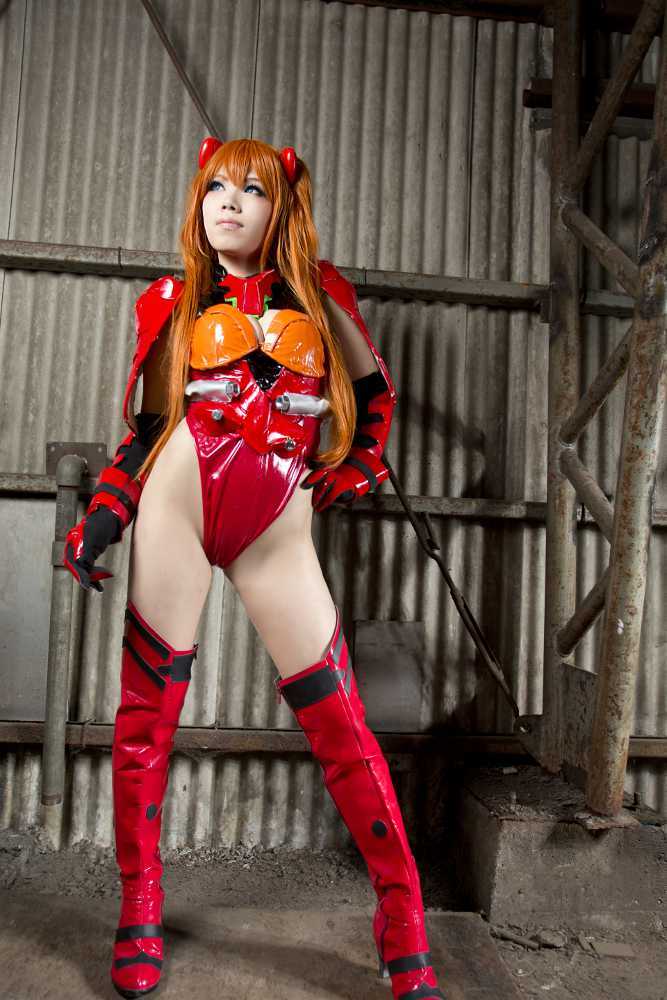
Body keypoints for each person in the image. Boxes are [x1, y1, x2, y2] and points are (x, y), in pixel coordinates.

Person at [63, 138, 445, 1000]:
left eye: (251, 188)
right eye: (215, 187)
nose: (228, 202)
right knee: (144, 719)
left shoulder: (322, 293)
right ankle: (139, 905)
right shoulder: (170, 300)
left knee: (342, 726)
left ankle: (402, 917)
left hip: (277, 525)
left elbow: (373, 399)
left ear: (283, 206)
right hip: (176, 507)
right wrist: (106, 514)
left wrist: (359, 463)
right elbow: (147, 430)